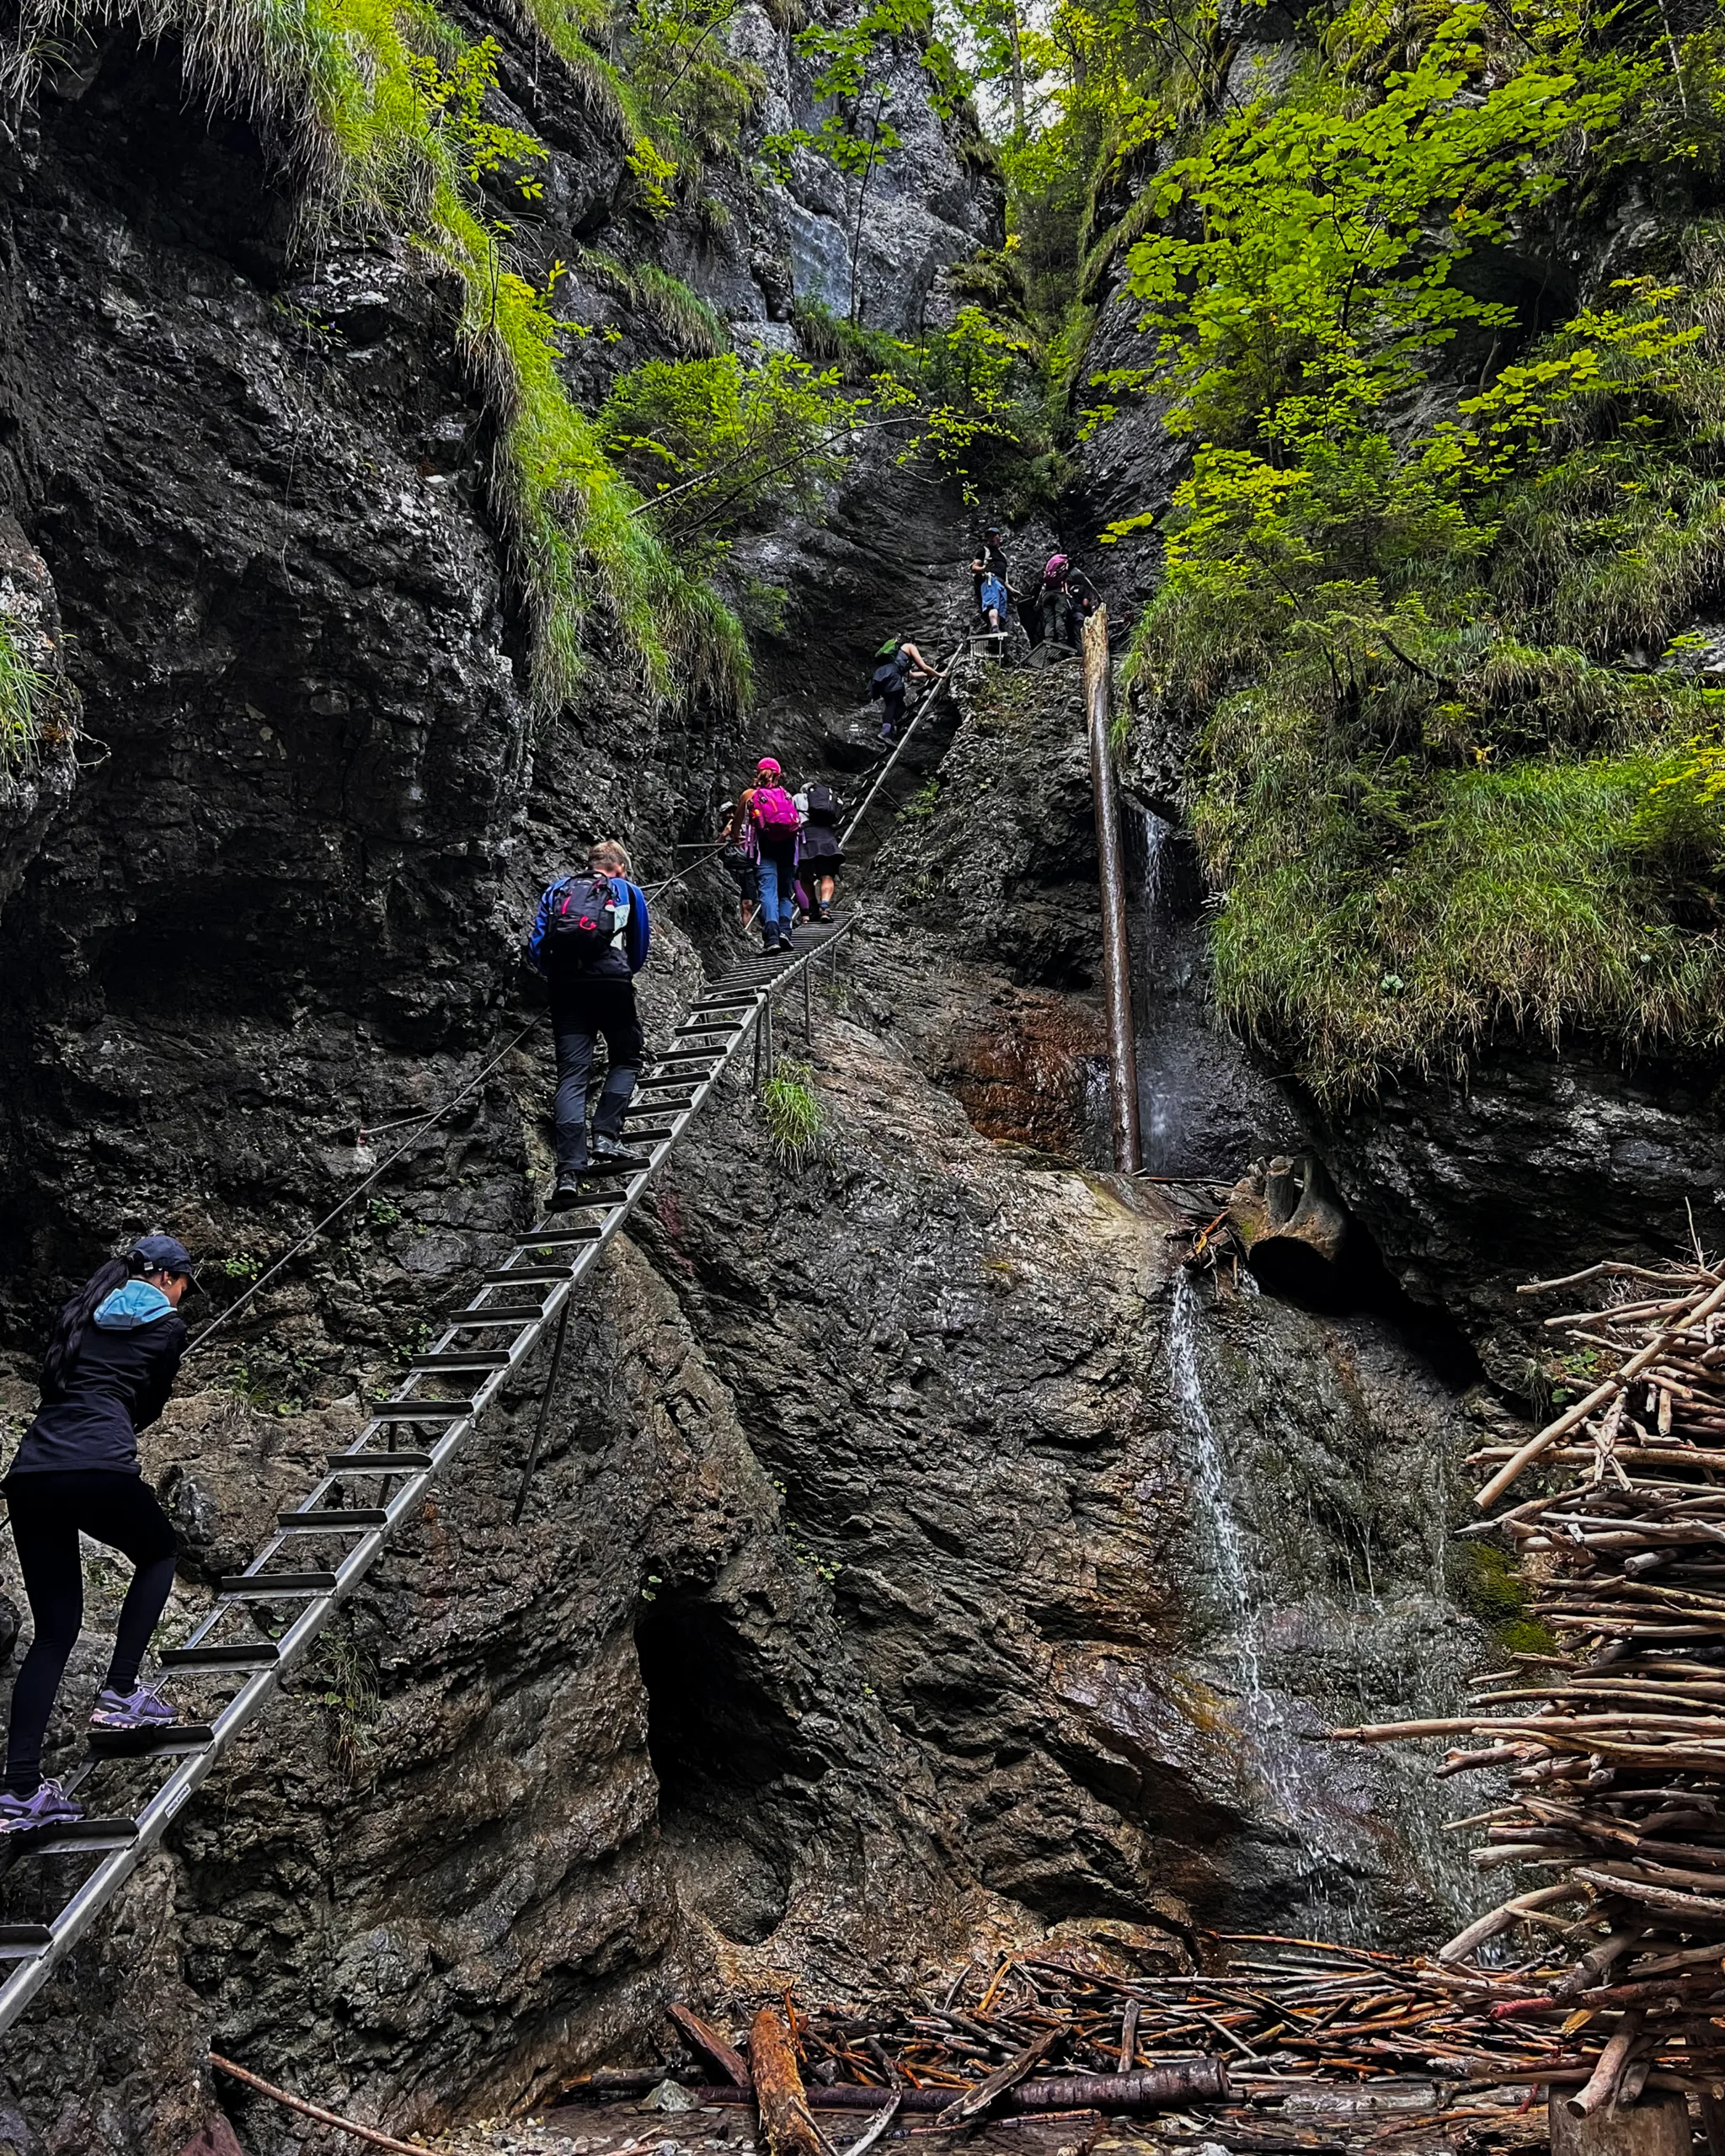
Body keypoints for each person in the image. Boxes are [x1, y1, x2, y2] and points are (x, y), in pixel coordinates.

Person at [0, 1234, 196, 1831]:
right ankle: (118, 1693)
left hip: (32, 1473)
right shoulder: (168, 1328)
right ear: (166, 1278)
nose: (185, 1295)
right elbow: (150, 1403)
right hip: (99, 1465)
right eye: (185, 1283)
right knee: (160, 1552)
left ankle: (20, 1791)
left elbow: (56, 1384)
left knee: (54, 1634)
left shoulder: (79, 1314)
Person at [528, 839, 652, 1208]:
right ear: (619, 867)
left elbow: (537, 945)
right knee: (627, 1058)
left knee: (571, 1075)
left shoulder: (558, 889)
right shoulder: (627, 891)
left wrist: (558, 975)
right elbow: (639, 947)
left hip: (566, 988)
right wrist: (618, 971)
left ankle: (568, 1172)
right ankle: (605, 1136)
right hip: (611, 983)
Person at [741, 757, 802, 953]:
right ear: (778, 775)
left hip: (764, 849)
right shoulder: (786, 795)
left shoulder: (750, 795)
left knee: (768, 891)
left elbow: (736, 827)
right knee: (785, 893)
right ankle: (786, 931)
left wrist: (735, 838)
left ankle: (772, 938)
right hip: (788, 849)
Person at [795, 776, 846, 921]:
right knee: (827, 875)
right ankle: (825, 908)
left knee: (804, 876)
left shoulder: (797, 798)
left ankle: (813, 907)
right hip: (826, 837)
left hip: (806, 838)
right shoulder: (826, 800)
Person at [869, 637, 935, 745]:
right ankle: (885, 732)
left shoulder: (897, 655)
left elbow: (911, 675)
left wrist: (927, 675)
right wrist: (939, 674)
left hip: (882, 675)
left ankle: (888, 730)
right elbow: (923, 666)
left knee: (900, 707)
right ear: (912, 642)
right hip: (892, 676)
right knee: (892, 704)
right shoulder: (910, 646)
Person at [1028, 553, 1102, 649]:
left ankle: (1048, 642)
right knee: (1060, 617)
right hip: (1058, 593)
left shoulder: (1051, 572)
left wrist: (1038, 603)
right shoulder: (1074, 573)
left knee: (1049, 620)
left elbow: (1043, 587)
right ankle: (1061, 641)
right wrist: (1099, 597)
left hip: (1046, 595)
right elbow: (1089, 586)